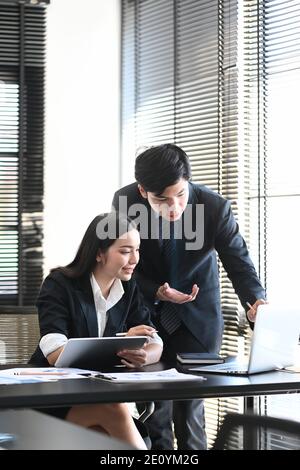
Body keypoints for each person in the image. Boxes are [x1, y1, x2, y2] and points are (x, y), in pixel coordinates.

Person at [112, 143, 266, 450]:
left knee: (191, 410)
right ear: (143, 191)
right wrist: (155, 290)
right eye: (162, 199)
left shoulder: (214, 207)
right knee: (154, 409)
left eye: (180, 195)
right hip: (147, 315)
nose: (173, 207)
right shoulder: (125, 201)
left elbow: (239, 261)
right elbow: (121, 260)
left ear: (189, 182)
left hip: (198, 317)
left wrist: (255, 303)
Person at [30, 211, 163, 450]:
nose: (135, 259)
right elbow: (54, 353)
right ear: (99, 253)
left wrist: (144, 355)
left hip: (96, 400)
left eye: (137, 249)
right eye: (125, 251)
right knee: (115, 411)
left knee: (103, 436)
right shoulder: (59, 284)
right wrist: (120, 341)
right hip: (50, 401)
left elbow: (155, 341)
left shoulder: (128, 287)